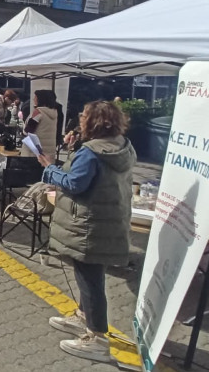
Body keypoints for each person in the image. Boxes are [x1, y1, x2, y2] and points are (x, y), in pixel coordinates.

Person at [38, 101, 135, 362]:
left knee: (89, 279)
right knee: (91, 275)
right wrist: (74, 151)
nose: (80, 119)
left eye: (83, 116)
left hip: (89, 225)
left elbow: (75, 182)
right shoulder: (122, 145)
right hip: (109, 221)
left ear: (91, 122)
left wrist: (50, 169)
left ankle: (97, 338)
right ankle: (84, 317)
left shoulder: (92, 152)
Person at [21, 90, 60, 158]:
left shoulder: (38, 112)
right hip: (48, 151)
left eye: (35, 97)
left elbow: (28, 130)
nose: (33, 99)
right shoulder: (54, 113)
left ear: (41, 99)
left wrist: (23, 131)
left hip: (34, 151)